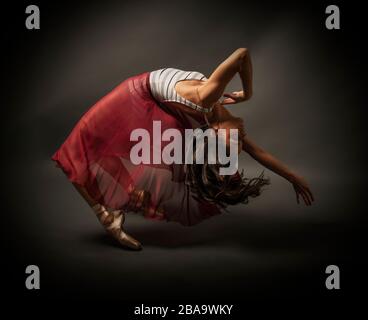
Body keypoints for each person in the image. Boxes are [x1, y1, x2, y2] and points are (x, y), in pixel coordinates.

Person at [52, 48, 314, 250]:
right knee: (88, 143)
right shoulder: (212, 108)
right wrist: (293, 177)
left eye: (234, 142)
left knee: (81, 145)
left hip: (148, 98)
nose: (242, 138)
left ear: (216, 134)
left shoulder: (207, 99)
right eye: (238, 143)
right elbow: (242, 55)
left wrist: (247, 94)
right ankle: (110, 211)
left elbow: (241, 56)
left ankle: (108, 214)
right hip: (146, 95)